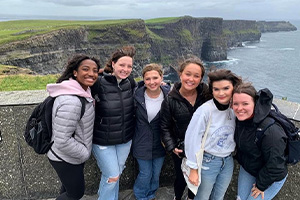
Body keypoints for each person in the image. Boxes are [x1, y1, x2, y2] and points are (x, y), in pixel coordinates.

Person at [46, 54, 101, 200]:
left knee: (67, 189)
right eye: (85, 69)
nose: (91, 73)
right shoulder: (72, 101)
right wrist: (84, 153)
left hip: (69, 155)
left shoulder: (79, 91)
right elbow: (62, 140)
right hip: (65, 156)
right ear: (75, 72)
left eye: (95, 70)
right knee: (75, 193)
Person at [184, 69, 242, 200]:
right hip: (208, 161)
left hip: (227, 160)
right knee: (201, 197)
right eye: (216, 89)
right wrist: (193, 169)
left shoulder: (236, 109)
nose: (221, 93)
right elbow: (192, 139)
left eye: (226, 88)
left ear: (234, 87)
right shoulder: (205, 110)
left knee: (218, 197)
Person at [160, 57, 211, 200]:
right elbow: (164, 126)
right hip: (181, 148)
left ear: (201, 78)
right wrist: (172, 147)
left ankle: (191, 197)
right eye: (188, 74)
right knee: (181, 177)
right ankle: (177, 197)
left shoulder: (206, 94)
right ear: (180, 74)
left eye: (196, 76)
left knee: (199, 178)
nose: (191, 79)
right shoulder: (170, 99)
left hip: (203, 147)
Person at [91, 45, 136, 200]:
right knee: (112, 175)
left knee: (117, 172)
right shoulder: (98, 82)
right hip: (102, 139)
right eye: (122, 65)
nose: (126, 69)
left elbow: (143, 90)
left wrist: (163, 87)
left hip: (125, 139)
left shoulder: (129, 82)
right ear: (113, 64)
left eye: (129, 66)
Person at [232, 82, 288, 200]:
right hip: (250, 167)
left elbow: (275, 166)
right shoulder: (240, 121)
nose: (239, 108)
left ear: (255, 103)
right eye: (235, 104)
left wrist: (260, 186)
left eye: (245, 103)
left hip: (271, 175)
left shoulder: (271, 131)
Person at [132, 63, 171, 200]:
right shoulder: (136, 94)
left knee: (156, 173)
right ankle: (140, 196)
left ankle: (151, 194)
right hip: (141, 141)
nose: (152, 82)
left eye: (155, 78)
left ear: (162, 77)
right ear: (143, 79)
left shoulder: (169, 96)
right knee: (145, 173)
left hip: (160, 142)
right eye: (147, 79)